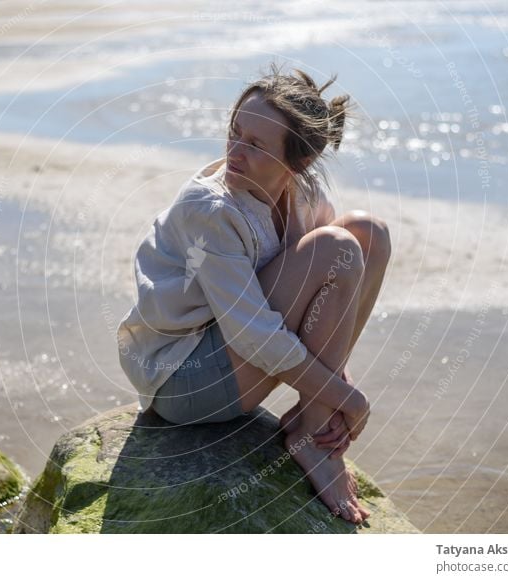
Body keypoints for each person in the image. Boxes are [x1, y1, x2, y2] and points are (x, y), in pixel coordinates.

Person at [117, 62, 391, 524]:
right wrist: (347, 400)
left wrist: (333, 388)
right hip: (183, 379)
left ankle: (311, 425)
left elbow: (331, 301)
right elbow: (254, 336)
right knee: (339, 247)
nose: (235, 153)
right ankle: (316, 439)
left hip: (233, 356)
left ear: (298, 161)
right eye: (235, 132)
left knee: (369, 234)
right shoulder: (211, 208)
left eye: (256, 144)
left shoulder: (304, 189)